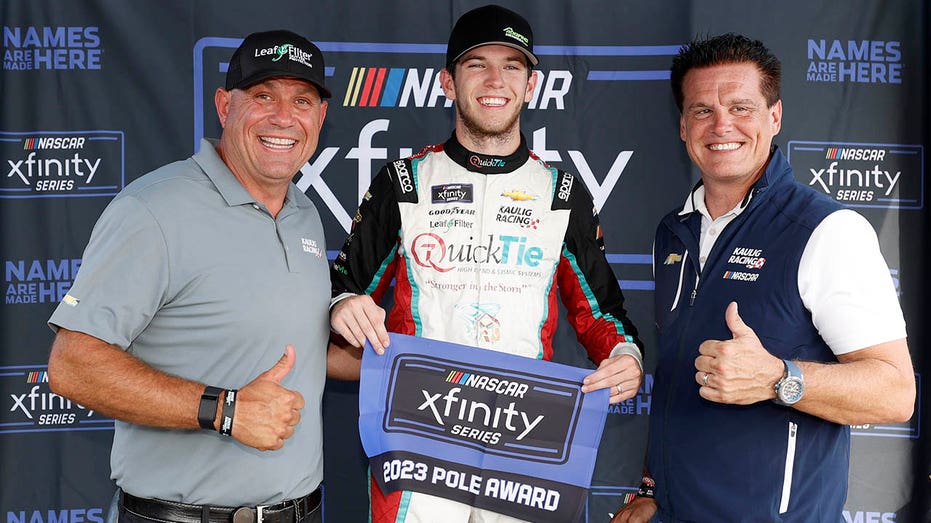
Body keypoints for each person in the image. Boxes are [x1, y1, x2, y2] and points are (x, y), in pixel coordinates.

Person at [328, 4, 644, 523]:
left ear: (531, 84)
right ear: (448, 83)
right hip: (418, 431)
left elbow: (600, 312)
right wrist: (343, 304)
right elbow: (344, 283)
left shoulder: (560, 193)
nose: (495, 79)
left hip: (524, 434)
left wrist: (625, 356)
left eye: (512, 65)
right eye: (477, 64)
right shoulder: (404, 182)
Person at [612, 33, 916, 522]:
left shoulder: (828, 230)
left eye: (741, 107)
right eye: (702, 110)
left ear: (774, 117)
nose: (721, 125)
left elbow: (895, 393)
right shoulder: (674, 231)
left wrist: (779, 377)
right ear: (684, 126)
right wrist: (650, 487)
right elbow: (675, 378)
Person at [47, 30, 334, 523]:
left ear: (320, 117)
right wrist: (225, 411)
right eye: (264, 96)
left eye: (302, 100)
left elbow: (307, 349)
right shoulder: (153, 209)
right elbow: (72, 366)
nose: (284, 117)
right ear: (225, 107)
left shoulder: (303, 213)